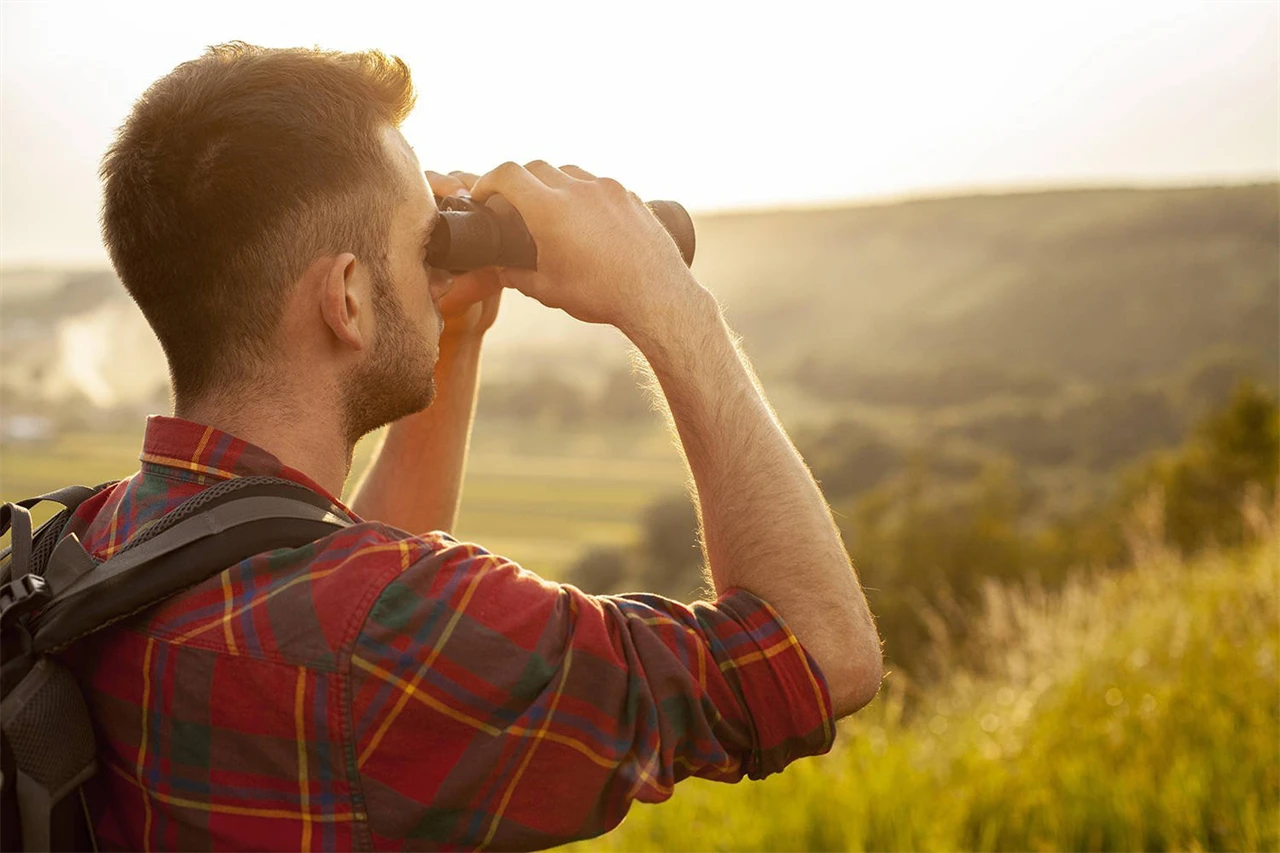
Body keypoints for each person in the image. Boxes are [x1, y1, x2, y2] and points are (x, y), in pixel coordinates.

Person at [59, 42, 882, 851]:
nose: (435, 265)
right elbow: (819, 657)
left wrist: (451, 334)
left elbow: (338, 565)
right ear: (348, 297)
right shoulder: (386, 635)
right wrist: (662, 294)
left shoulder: (93, 541)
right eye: (426, 244)